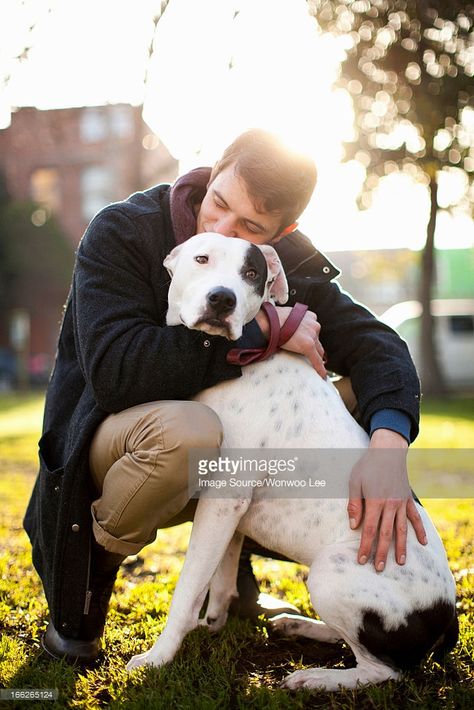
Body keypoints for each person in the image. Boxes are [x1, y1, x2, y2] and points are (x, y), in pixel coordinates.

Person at [24, 129, 426, 666]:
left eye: (251, 228)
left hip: (218, 463)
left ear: (283, 233)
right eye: (218, 203)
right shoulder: (124, 230)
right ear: (211, 175)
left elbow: (379, 344)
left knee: (330, 394)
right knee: (193, 433)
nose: (222, 229)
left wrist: (388, 449)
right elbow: (117, 373)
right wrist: (263, 333)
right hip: (106, 438)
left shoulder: (282, 265)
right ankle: (91, 574)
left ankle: (233, 586)